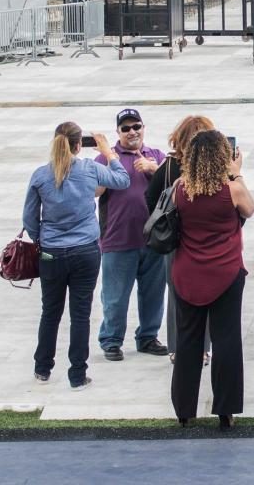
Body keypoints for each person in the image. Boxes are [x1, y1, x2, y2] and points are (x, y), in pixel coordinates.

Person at [24, 123, 129, 388]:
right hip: (85, 249)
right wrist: (110, 153)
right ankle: (78, 375)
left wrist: (41, 239)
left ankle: (42, 369)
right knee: (80, 314)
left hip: (52, 251)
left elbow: (29, 218)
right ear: (78, 144)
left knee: (50, 312)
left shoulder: (40, 175)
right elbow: (122, 180)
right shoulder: (89, 169)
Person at [171, 129, 254, 428]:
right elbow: (251, 209)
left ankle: (184, 409)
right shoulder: (232, 189)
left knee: (187, 341)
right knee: (227, 339)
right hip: (226, 271)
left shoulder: (180, 188)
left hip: (187, 272)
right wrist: (237, 174)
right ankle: (226, 409)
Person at [96, 108, 169, 362]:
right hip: (118, 240)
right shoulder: (106, 158)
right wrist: (110, 159)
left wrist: (153, 169)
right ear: (117, 132)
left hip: (154, 240)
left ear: (143, 128)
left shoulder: (156, 156)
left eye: (136, 126)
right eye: (125, 128)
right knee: (115, 297)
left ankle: (148, 336)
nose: (132, 132)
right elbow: (95, 190)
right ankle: (111, 340)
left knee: (153, 294)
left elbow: (172, 185)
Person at [145, 114, 216, 362]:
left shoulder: (168, 167)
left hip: (176, 241)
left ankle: (177, 348)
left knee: (176, 294)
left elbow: (151, 199)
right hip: (208, 241)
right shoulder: (215, 170)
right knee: (208, 294)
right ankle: (204, 349)